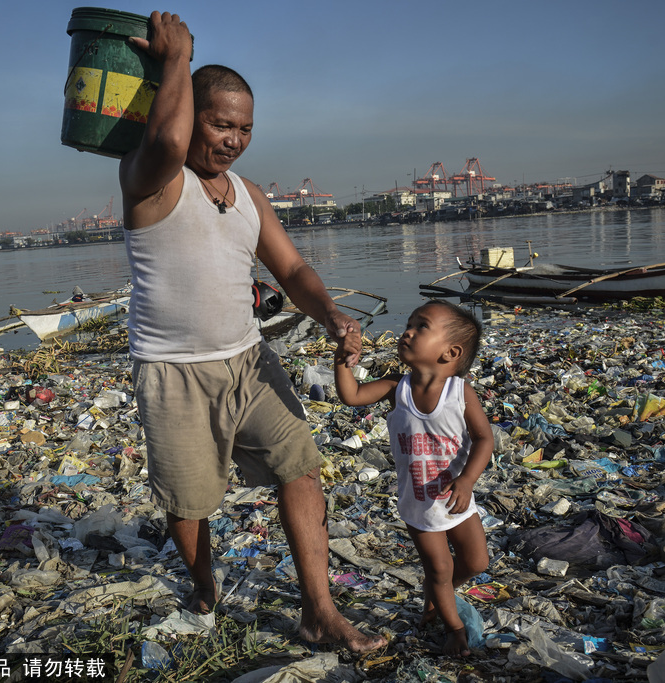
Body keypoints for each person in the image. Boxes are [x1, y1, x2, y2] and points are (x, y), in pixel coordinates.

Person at [118, 11, 386, 653]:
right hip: (174, 371)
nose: (235, 139)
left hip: (249, 361)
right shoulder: (149, 179)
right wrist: (175, 59)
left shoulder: (247, 195)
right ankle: (205, 594)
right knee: (190, 502)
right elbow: (165, 138)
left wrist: (332, 315)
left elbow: (291, 268)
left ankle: (318, 610)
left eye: (245, 128)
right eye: (220, 123)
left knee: (300, 466)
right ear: (186, 112)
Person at [334, 301, 493, 657]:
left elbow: (485, 440)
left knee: (476, 562)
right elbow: (351, 396)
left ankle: (439, 593)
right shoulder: (397, 389)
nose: (406, 331)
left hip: (457, 497)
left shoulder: (459, 393)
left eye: (421, 327)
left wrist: (467, 481)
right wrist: (341, 360)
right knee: (439, 567)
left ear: (451, 352)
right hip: (419, 502)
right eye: (409, 323)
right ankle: (452, 627)